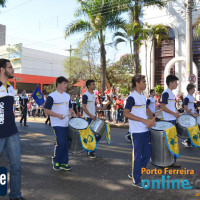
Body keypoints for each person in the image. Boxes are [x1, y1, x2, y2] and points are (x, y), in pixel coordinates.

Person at [0, 59, 25, 200]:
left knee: (16, 165)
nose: (13, 70)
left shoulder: (10, 87)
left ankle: (15, 195)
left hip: (12, 132)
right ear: (2, 69)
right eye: (10, 67)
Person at [124, 75, 155, 188]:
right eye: (143, 82)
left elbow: (146, 109)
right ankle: (136, 179)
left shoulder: (142, 96)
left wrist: (151, 118)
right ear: (137, 83)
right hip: (136, 132)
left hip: (145, 130)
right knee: (137, 156)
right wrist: (143, 120)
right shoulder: (132, 97)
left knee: (147, 155)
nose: (145, 84)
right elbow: (126, 113)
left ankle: (134, 172)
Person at [44, 76, 77, 170]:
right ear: (58, 84)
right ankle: (56, 161)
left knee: (65, 143)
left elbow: (70, 108)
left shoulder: (67, 96)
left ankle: (64, 162)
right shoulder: (51, 96)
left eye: (66, 83)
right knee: (61, 142)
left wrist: (74, 114)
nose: (66, 85)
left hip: (66, 123)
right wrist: (58, 115)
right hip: (56, 123)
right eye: (64, 83)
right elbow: (46, 110)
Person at [160, 75, 181, 168]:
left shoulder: (171, 93)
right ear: (171, 83)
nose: (177, 84)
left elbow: (171, 106)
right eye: (176, 82)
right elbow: (162, 107)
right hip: (168, 121)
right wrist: (174, 113)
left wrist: (177, 113)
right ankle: (166, 161)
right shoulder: (165, 93)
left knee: (173, 141)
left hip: (172, 120)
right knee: (169, 142)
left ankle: (172, 161)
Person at [82, 79, 105, 158]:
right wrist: (91, 115)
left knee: (99, 133)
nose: (94, 85)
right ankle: (90, 151)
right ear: (88, 86)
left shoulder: (93, 96)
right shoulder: (85, 95)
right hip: (87, 118)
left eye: (94, 84)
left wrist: (102, 108)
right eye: (93, 84)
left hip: (94, 117)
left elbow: (95, 107)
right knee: (91, 135)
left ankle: (90, 148)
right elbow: (83, 107)